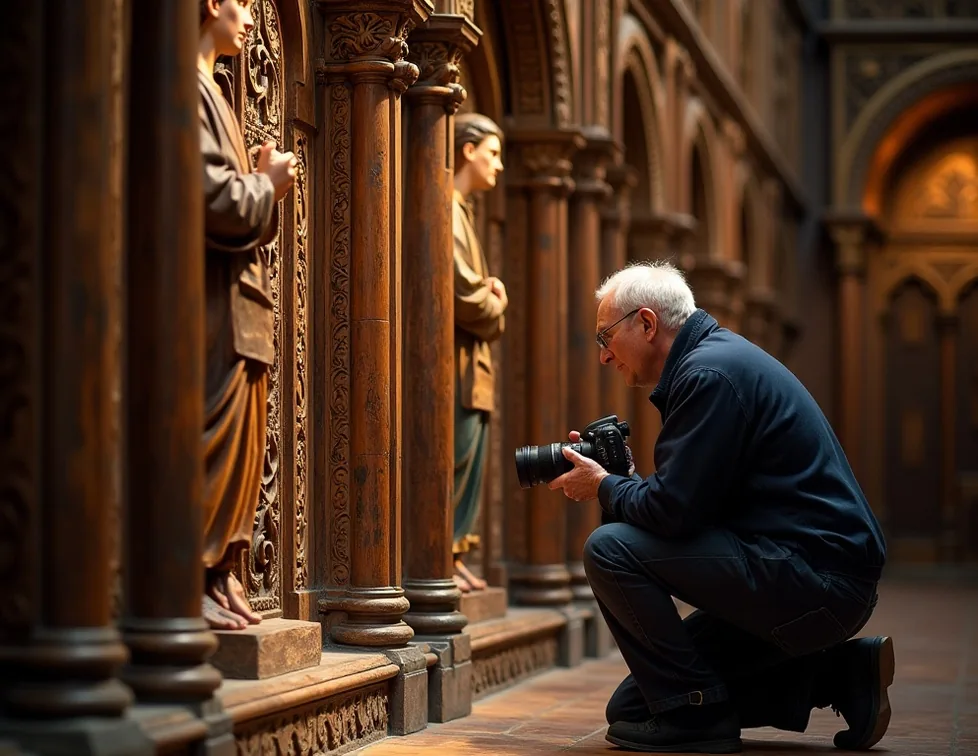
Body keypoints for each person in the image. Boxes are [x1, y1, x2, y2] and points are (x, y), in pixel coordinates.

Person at [549, 261, 892, 754]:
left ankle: (697, 718)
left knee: (609, 549)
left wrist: (604, 486)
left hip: (817, 581)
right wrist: (620, 482)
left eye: (606, 337)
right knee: (634, 709)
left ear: (647, 324)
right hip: (809, 576)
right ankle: (837, 676)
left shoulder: (709, 374)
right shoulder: (712, 362)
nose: (603, 356)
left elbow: (673, 516)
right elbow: (688, 509)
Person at [198, 0, 296, 630]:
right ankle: (185, 580)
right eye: (243, 4)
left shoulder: (213, 92)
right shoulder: (188, 88)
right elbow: (210, 197)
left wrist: (259, 179)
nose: (255, 19)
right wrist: (268, 184)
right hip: (209, 310)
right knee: (204, 446)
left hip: (242, 315)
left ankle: (216, 574)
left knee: (240, 453)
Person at [451, 113, 508, 592]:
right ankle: (444, 555)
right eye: (492, 153)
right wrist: (497, 302)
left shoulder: (463, 210)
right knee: (455, 460)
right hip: (455, 364)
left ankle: (454, 554)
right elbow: (466, 297)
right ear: (466, 150)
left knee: (469, 464)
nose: (499, 165)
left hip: (473, 367)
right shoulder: (448, 207)